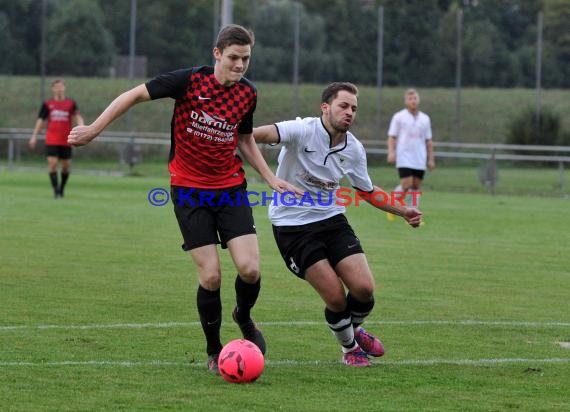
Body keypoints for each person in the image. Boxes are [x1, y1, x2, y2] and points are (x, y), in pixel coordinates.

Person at [67, 24, 300, 374]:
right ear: (217, 53)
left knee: (250, 270)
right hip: (189, 191)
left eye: (246, 59)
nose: (239, 66)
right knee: (210, 278)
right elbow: (131, 95)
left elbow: (245, 138)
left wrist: (270, 177)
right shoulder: (188, 81)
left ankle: (245, 317)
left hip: (230, 189)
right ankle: (213, 350)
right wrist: (93, 130)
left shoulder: (247, 94)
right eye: (234, 58)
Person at [253, 82, 423, 367]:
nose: (349, 113)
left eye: (354, 108)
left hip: (332, 220)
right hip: (292, 226)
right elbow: (255, 135)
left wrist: (403, 210)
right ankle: (350, 348)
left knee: (364, 289)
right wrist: (267, 173)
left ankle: (353, 329)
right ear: (325, 107)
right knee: (334, 296)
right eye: (343, 105)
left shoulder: (354, 149)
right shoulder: (302, 130)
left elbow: (366, 190)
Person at [29, 79, 84, 198]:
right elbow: (40, 121)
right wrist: (34, 136)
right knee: (52, 164)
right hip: (52, 139)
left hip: (66, 140)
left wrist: (82, 128)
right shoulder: (47, 104)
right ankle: (56, 191)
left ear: (64, 88)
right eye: (56, 87)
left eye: (61, 86)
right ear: (53, 89)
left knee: (66, 166)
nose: (59, 89)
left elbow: (78, 117)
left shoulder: (71, 103)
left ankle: (62, 188)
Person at [386, 88, 435, 220]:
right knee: (406, 184)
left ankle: (414, 215)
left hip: (420, 157)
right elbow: (392, 137)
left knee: (416, 186)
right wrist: (391, 152)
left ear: (418, 100)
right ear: (406, 101)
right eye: (410, 99)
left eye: (415, 98)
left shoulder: (425, 119)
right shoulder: (399, 117)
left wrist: (431, 159)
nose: (413, 101)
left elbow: (428, 141)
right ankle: (391, 207)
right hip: (404, 157)